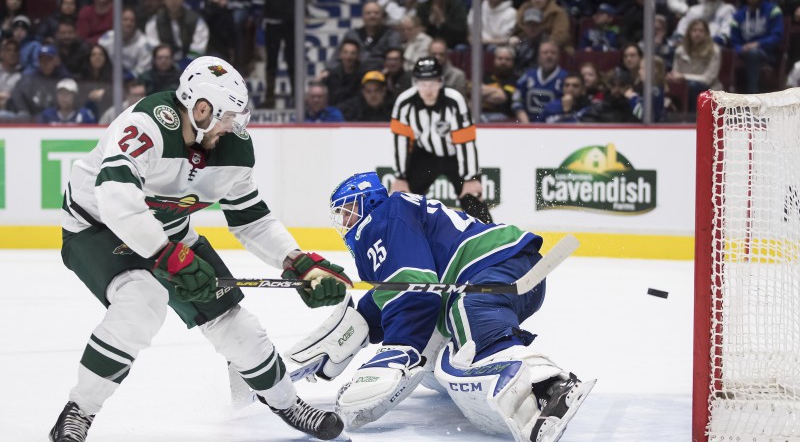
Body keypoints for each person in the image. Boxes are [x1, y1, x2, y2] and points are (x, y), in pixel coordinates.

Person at [47, 56, 351, 442]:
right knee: (142, 302)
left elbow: (252, 219)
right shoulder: (146, 126)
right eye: (227, 116)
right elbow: (115, 197)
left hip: (170, 235)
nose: (234, 127)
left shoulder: (233, 148)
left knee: (233, 321)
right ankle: (79, 412)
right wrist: (166, 254)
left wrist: (297, 261)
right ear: (201, 108)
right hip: (99, 228)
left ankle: (287, 403)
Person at [283, 171, 594, 440]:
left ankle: (551, 386)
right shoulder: (395, 217)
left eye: (347, 211)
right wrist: (344, 336)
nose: (344, 222)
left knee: (466, 314)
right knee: (441, 354)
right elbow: (393, 295)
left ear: (368, 202)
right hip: (504, 266)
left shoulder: (383, 218)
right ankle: (513, 387)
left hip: (496, 266)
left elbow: (412, 290)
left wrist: (398, 350)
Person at [389, 56, 493, 223]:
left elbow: (466, 142)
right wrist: (400, 176)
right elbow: (400, 140)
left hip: (455, 158)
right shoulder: (404, 103)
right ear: (415, 82)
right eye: (423, 84)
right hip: (424, 156)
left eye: (433, 83)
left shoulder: (454, 101)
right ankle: (401, 237)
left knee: (472, 197)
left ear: (441, 81)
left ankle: (491, 239)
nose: (428, 90)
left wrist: (470, 178)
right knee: (403, 200)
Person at [730, 0, 784, 94]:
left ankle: (752, 94)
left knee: (753, 53)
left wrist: (758, 44)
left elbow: (777, 36)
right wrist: (740, 48)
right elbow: (734, 40)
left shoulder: (773, 10)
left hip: (767, 52)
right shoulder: (738, 14)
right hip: (743, 52)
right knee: (725, 53)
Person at [667, 19, 721, 113]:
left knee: (693, 86)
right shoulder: (680, 50)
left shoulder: (714, 51)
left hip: (709, 88)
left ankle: (692, 118)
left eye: (701, 31)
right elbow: (676, 72)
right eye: (694, 30)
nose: (697, 33)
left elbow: (708, 79)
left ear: (706, 33)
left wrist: (684, 76)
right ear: (689, 33)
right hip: (683, 86)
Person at [512, 39, 567, 123]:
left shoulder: (565, 78)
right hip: (527, 124)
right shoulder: (527, 76)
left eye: (553, 53)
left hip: (554, 127)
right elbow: (516, 100)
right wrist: (527, 124)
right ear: (538, 56)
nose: (549, 56)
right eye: (545, 52)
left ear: (559, 56)